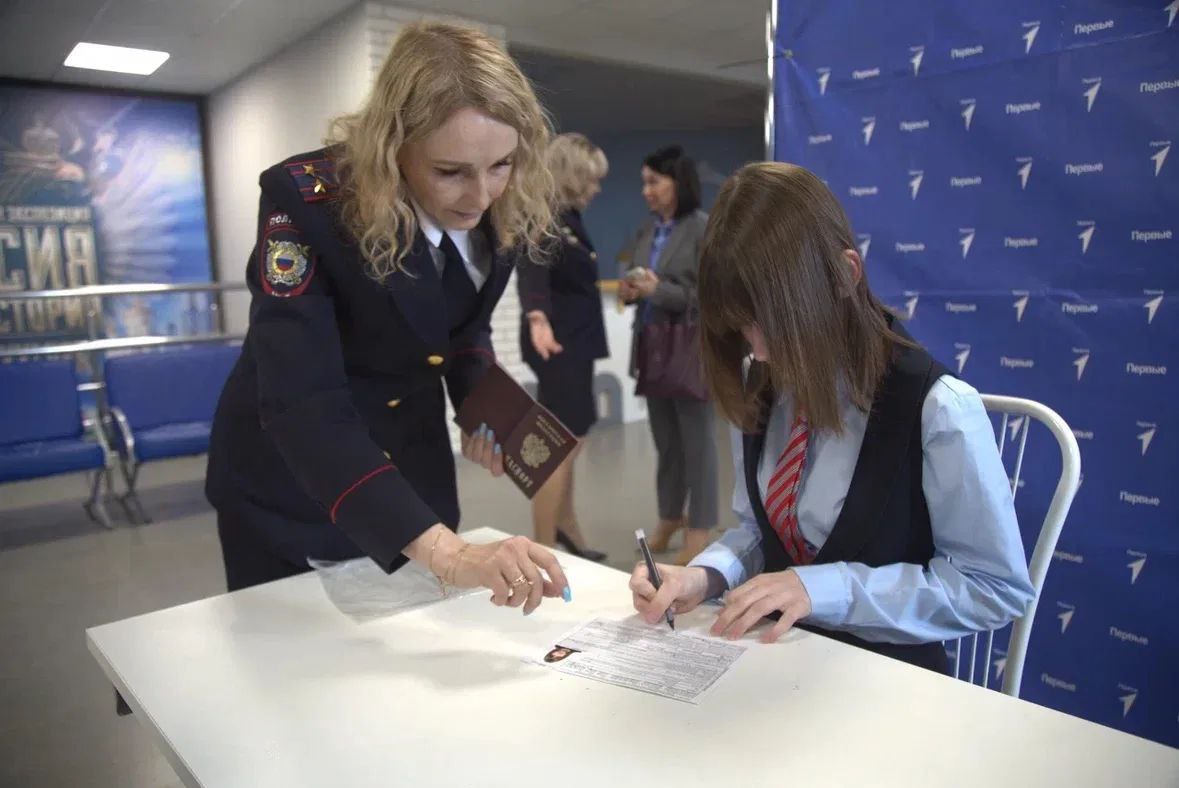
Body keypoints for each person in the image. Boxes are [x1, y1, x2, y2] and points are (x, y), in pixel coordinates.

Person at [205, 22, 571, 613]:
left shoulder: (497, 199)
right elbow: (303, 403)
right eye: (450, 171)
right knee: (295, 668)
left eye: (502, 164)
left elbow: (458, 324)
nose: (481, 196)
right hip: (293, 479)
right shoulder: (309, 205)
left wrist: (485, 407)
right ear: (392, 147)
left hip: (409, 463)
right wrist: (450, 555)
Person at [629, 162, 1035, 672]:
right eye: (742, 329)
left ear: (845, 275)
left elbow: (994, 588)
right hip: (778, 664)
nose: (759, 351)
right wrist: (706, 575)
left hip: (887, 681)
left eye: (772, 325)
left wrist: (824, 588)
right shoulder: (763, 385)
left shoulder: (937, 407)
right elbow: (761, 530)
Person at [618, 145, 719, 565]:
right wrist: (630, 290)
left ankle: (701, 528)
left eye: (654, 181)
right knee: (666, 443)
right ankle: (670, 516)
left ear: (679, 183)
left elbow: (712, 295)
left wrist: (659, 290)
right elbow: (635, 276)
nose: (646, 190)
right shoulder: (646, 231)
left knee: (698, 444)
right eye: (644, 182)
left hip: (691, 349)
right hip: (652, 347)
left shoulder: (702, 229)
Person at [517, 133, 610, 563]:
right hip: (557, 344)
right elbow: (532, 269)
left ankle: (565, 525)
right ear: (571, 177)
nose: (597, 189)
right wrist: (537, 317)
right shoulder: (546, 217)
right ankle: (543, 547)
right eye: (591, 180)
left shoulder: (570, 218)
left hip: (575, 343)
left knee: (572, 439)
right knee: (557, 444)